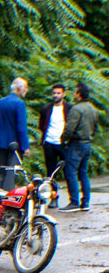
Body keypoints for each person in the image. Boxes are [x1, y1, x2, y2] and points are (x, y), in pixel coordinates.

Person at [60, 83, 99, 212]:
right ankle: (86, 201)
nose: (74, 94)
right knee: (83, 172)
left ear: (79, 94)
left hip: (76, 144)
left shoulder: (76, 109)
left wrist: (64, 139)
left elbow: (70, 128)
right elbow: (96, 129)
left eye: (75, 92)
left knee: (71, 172)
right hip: (87, 144)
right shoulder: (93, 109)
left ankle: (74, 201)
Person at [0, 78, 30, 191]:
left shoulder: (0, 102)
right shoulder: (19, 104)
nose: (26, 91)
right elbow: (21, 127)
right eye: (25, 88)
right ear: (19, 89)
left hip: (0, 142)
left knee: (2, 169)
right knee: (12, 171)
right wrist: (25, 146)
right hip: (14, 144)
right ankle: (8, 195)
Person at [38, 83, 71, 179]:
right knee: (50, 171)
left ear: (64, 94)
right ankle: (51, 192)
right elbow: (42, 124)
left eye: (58, 93)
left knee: (67, 170)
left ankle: (72, 193)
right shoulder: (46, 108)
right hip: (49, 142)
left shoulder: (69, 108)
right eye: (54, 93)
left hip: (63, 143)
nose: (55, 95)